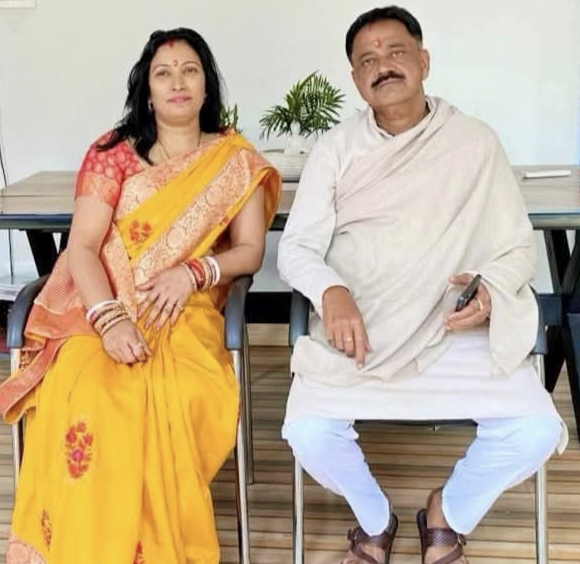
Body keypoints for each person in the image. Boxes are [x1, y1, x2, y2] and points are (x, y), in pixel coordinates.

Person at [278, 6, 567, 564]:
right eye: (367, 60)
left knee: (534, 429)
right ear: (355, 79)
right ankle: (374, 520)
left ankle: (446, 513)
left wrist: (489, 291)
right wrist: (331, 292)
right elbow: (297, 247)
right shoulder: (335, 149)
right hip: (363, 330)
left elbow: (516, 249)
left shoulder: (475, 142)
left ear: (424, 61)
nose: (382, 66)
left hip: (451, 329)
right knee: (308, 431)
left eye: (395, 52)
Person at [0, 27, 280, 564]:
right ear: (147, 90)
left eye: (190, 70)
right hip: (100, 307)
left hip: (186, 310)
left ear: (206, 85)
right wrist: (110, 320)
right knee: (85, 391)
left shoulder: (234, 160)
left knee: (179, 392)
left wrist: (195, 272)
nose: (178, 82)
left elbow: (249, 251)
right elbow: (83, 247)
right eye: (163, 73)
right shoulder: (112, 155)